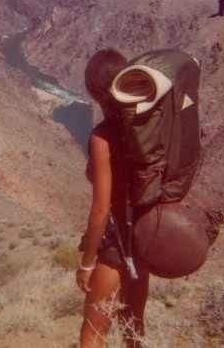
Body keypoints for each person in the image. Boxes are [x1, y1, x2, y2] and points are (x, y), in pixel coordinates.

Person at [76, 49, 150, 348]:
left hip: (116, 248)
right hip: (144, 241)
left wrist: (86, 263)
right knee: (133, 330)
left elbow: (100, 210)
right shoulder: (146, 127)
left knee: (92, 334)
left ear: (95, 91)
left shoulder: (103, 136)